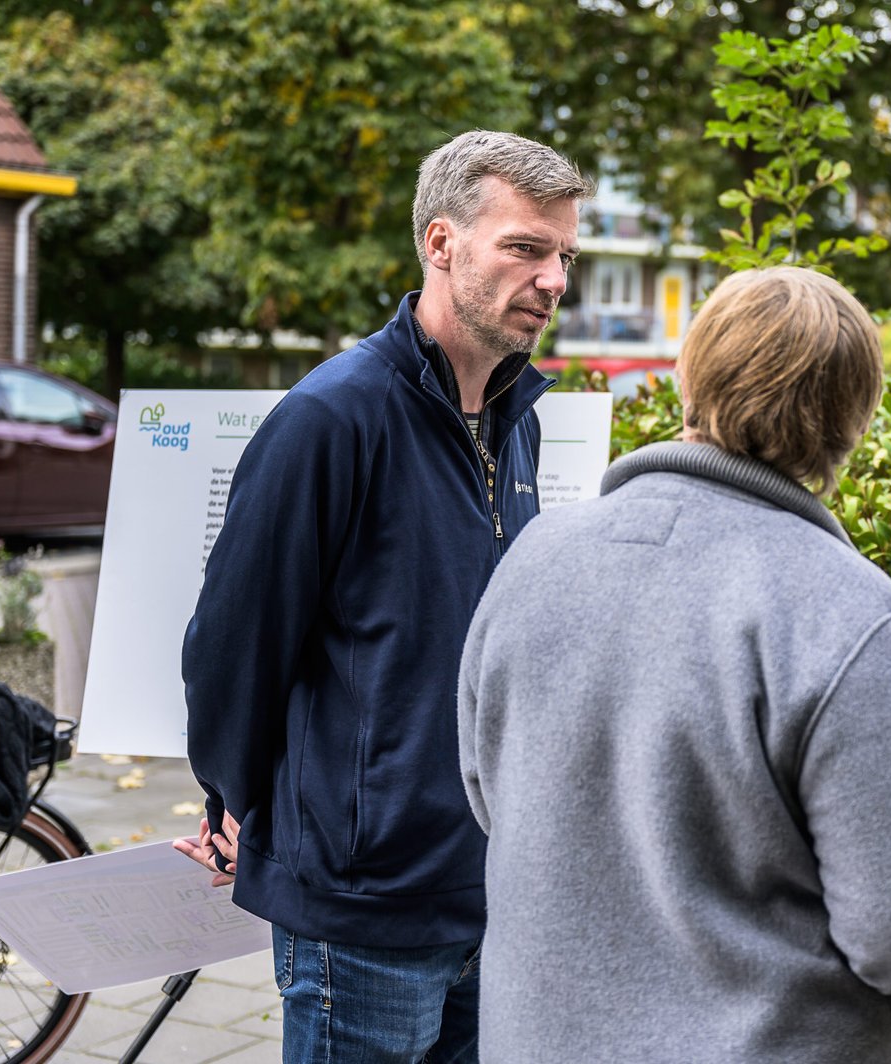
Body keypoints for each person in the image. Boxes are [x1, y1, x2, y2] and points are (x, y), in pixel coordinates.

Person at [457, 267, 891, 1062]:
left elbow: (489, 796)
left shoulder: (535, 558)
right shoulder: (846, 615)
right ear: (855, 415)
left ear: (690, 378)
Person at [174, 130, 591, 1063]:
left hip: (489, 896)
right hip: (361, 914)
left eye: (565, 254)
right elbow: (234, 645)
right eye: (525, 248)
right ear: (441, 244)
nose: (554, 279)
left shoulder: (516, 420)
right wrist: (235, 804)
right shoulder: (330, 418)